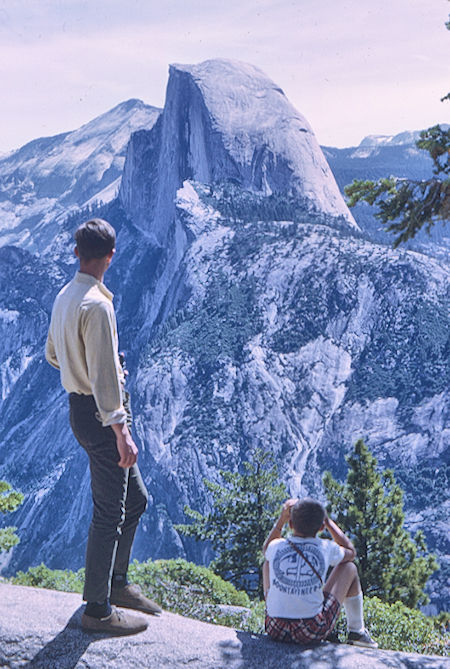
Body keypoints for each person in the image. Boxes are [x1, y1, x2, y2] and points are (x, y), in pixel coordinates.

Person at [45, 218, 161, 635]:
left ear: (77, 253)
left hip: (80, 409)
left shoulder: (65, 296)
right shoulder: (97, 305)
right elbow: (106, 381)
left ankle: (117, 583)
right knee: (109, 511)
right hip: (101, 416)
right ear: (111, 256)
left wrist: (82, 368)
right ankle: (97, 609)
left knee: (138, 499)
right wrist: (121, 429)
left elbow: (53, 353)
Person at [263, 497, 377, 648]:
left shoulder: (276, 545)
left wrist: (281, 520)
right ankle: (357, 631)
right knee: (349, 567)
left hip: (274, 627)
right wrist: (329, 522)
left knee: (268, 562)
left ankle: (277, 608)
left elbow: (266, 549)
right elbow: (351, 552)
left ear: (290, 524)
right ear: (321, 527)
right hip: (311, 630)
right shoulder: (326, 547)